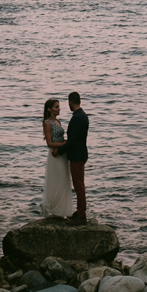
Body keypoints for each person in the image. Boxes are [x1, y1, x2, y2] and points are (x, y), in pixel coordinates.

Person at [41, 98, 73, 218]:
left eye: (59, 106)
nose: (59, 109)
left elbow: (59, 139)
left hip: (62, 153)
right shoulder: (47, 123)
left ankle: (62, 209)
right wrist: (66, 144)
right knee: (56, 181)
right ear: (49, 109)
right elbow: (49, 143)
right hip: (55, 154)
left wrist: (66, 142)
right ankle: (55, 210)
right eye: (56, 107)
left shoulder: (58, 122)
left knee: (64, 181)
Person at [63, 91, 89, 224]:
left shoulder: (77, 117)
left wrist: (61, 150)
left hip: (77, 155)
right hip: (81, 153)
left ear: (70, 102)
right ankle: (80, 211)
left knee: (79, 185)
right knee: (79, 184)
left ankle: (81, 215)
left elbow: (73, 140)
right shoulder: (82, 115)